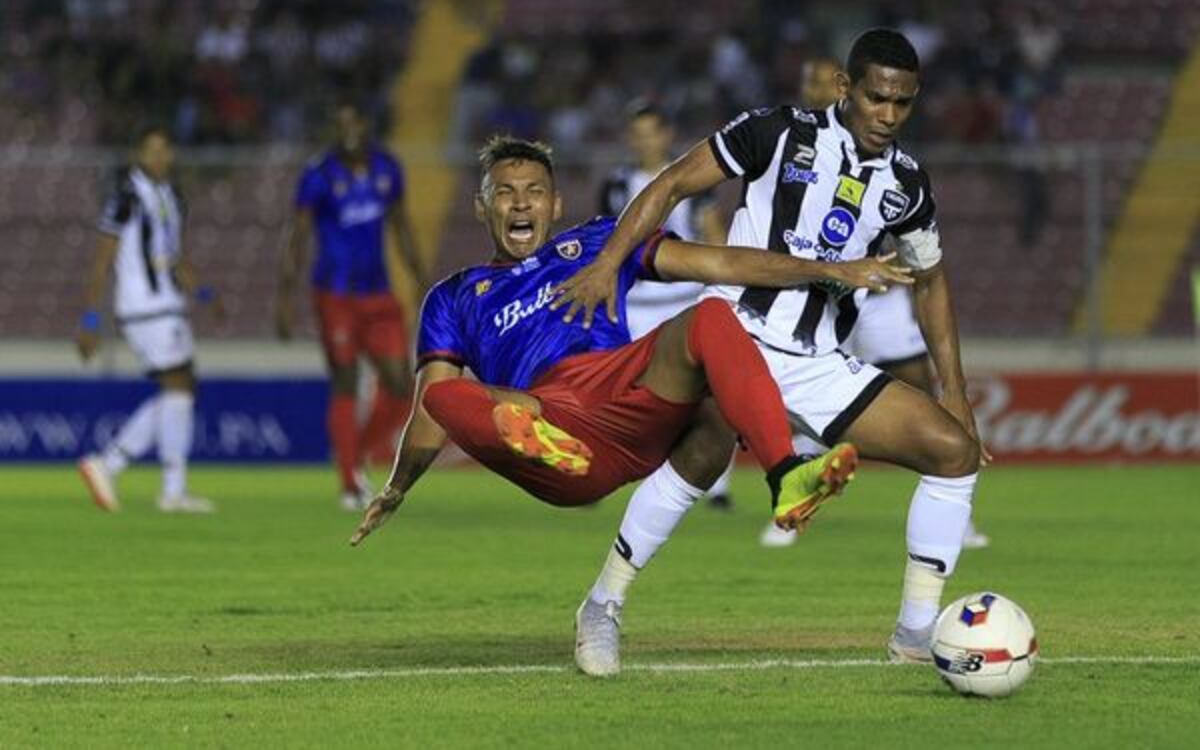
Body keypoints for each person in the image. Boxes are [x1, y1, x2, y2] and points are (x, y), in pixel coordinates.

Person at [349, 136, 913, 674]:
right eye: (504, 192)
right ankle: (538, 440)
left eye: (534, 191)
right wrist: (397, 488)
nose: (520, 203)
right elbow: (431, 412)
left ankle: (786, 473)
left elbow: (719, 265)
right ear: (481, 207)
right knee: (444, 393)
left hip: (625, 397)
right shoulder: (454, 296)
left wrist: (830, 270)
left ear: (555, 202)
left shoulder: (598, 244)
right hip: (550, 420)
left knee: (712, 317)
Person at [554, 28, 992, 666]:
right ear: (845, 88)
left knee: (954, 455)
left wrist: (954, 391)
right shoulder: (776, 131)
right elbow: (674, 183)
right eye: (877, 99)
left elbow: (930, 280)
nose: (889, 115)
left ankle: (915, 634)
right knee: (702, 453)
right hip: (734, 334)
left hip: (818, 362)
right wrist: (608, 263)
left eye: (903, 104)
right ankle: (602, 606)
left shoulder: (907, 184)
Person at [760, 56, 990, 550]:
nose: (819, 90)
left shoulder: (890, 162)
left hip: (874, 295)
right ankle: (792, 491)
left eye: (825, 81)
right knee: (790, 398)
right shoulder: (794, 145)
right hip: (801, 303)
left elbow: (914, 246)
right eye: (812, 82)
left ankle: (954, 506)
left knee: (916, 387)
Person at [276, 102, 428, 510]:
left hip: (378, 294)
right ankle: (348, 482)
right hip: (335, 296)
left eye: (354, 121)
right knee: (345, 380)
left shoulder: (386, 169)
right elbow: (298, 234)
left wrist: (419, 277)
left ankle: (354, 454)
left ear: (366, 123)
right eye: (339, 122)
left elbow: (402, 225)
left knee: (401, 384)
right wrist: (285, 296)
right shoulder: (319, 174)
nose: (348, 130)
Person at [598, 100, 734, 509]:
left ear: (666, 135)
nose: (643, 141)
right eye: (636, 134)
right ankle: (617, 475)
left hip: (686, 297)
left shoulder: (693, 178)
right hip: (638, 302)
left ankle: (718, 486)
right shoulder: (617, 184)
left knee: (710, 390)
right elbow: (607, 242)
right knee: (632, 393)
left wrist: (725, 287)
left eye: (651, 132)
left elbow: (715, 237)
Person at [76, 126, 218, 514]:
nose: (157, 157)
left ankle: (134, 473)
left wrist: (204, 293)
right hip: (144, 306)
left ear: (170, 154)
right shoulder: (125, 198)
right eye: (149, 150)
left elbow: (172, 256)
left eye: (163, 149)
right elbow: (102, 259)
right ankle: (121, 468)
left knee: (181, 388)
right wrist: (90, 319)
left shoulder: (172, 197)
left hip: (167, 303)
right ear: (138, 155)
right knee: (179, 385)